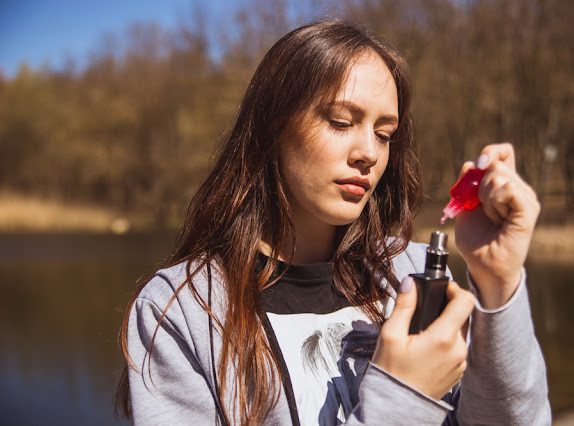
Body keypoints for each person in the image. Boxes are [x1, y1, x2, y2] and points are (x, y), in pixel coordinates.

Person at [116, 19, 551, 425]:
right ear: (273, 128)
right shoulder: (183, 311)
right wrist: (404, 400)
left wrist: (498, 283)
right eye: (341, 122)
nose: (369, 153)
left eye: (384, 134)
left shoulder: (412, 276)